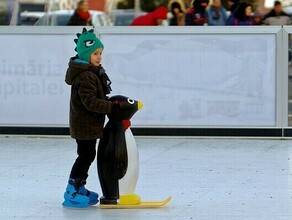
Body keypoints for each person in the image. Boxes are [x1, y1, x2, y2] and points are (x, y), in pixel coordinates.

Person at [62, 28, 118, 208]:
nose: (99, 57)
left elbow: (96, 98)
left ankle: (80, 186)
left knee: (87, 154)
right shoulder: (86, 76)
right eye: (95, 53)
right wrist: (110, 106)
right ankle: (72, 190)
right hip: (84, 124)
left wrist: (109, 101)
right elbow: (90, 102)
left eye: (100, 53)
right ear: (85, 55)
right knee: (85, 156)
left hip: (88, 124)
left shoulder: (91, 72)